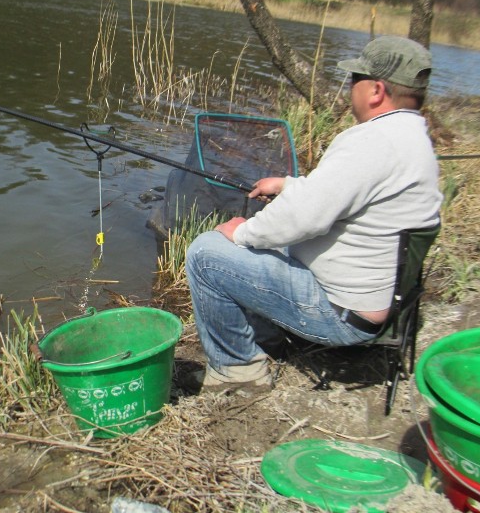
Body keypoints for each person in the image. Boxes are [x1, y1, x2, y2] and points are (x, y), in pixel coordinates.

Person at [183, 35, 442, 392]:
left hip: (340, 315)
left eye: (355, 80)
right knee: (266, 244)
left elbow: (305, 218)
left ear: (376, 91)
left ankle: (238, 369)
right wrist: (289, 186)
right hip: (378, 306)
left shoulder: (371, 140)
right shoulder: (413, 138)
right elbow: (340, 194)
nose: (349, 87)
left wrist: (241, 232)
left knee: (205, 255)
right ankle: (266, 340)